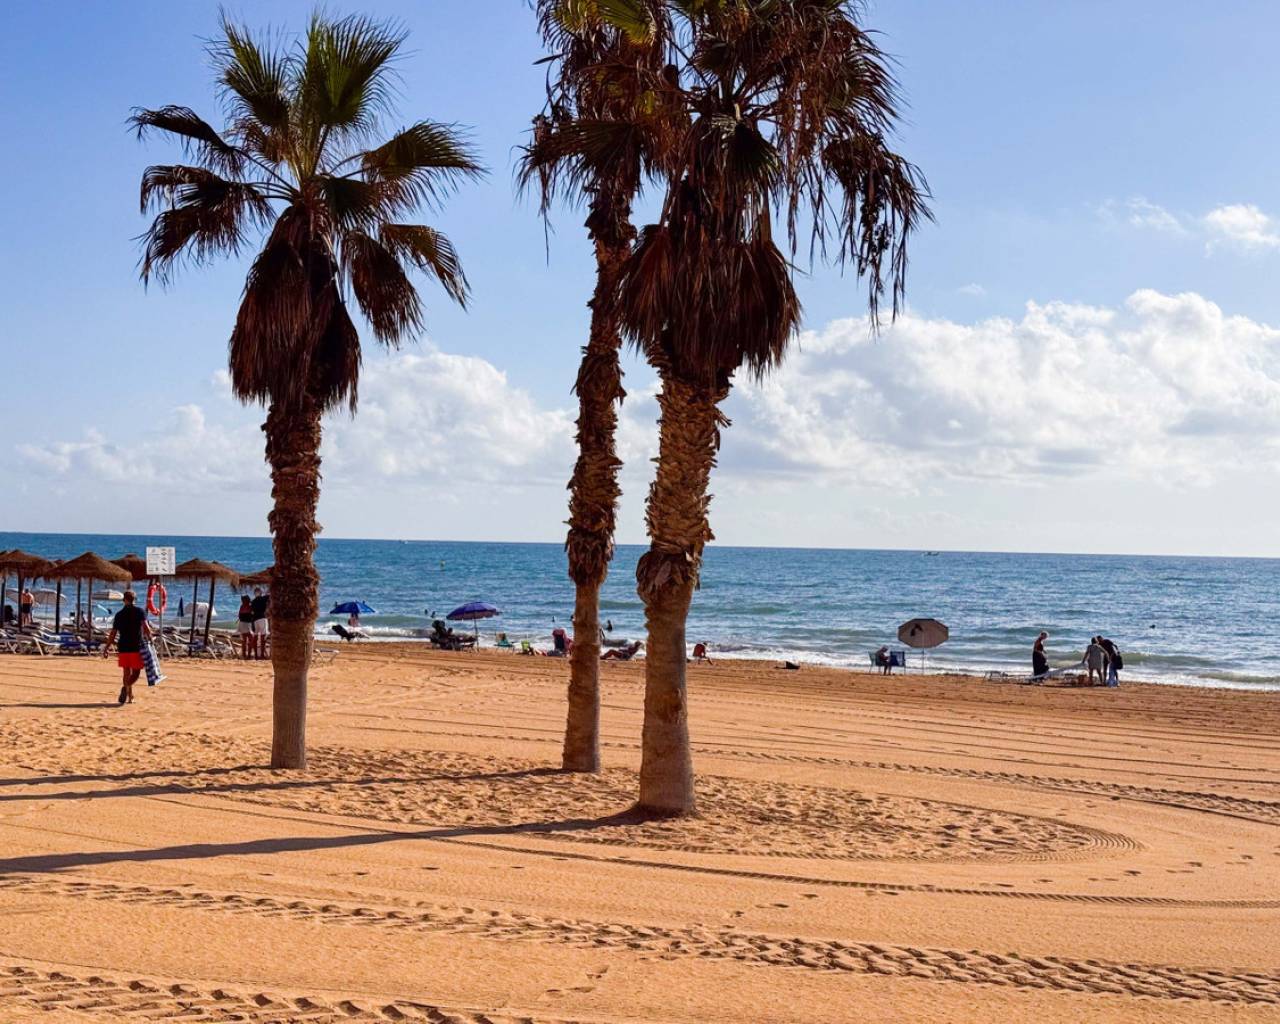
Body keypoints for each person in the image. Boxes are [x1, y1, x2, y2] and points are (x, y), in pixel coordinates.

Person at [102, 590, 151, 705]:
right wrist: (150, 639)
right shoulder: (140, 611)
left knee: (126, 672)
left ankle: (130, 696)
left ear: (124, 600)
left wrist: (107, 647)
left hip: (123, 646)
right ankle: (126, 687)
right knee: (136, 673)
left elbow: (113, 633)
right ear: (134, 600)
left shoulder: (119, 614)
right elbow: (146, 628)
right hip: (136, 646)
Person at [250, 588, 270, 660]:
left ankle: (256, 655)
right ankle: (261, 655)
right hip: (262, 618)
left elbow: (252, 612)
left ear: (254, 593)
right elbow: (270, 595)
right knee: (263, 637)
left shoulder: (252, 601)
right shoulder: (263, 598)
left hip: (255, 620)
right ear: (261, 593)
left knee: (255, 637)